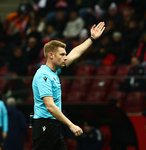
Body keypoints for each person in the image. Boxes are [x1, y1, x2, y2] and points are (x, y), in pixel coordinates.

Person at [31, 22, 105, 150]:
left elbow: (75, 54)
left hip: (53, 126)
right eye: (62, 55)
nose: (65, 57)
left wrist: (92, 38)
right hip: (44, 126)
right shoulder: (43, 76)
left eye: (65, 54)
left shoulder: (53, 72)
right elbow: (49, 106)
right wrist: (71, 125)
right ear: (51, 55)